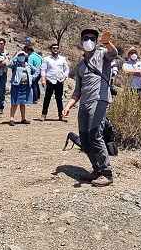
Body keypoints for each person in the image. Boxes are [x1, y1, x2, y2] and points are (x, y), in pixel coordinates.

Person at [62, 28, 118, 187]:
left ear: (96, 41)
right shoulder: (80, 66)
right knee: (85, 140)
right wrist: (68, 106)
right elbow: (77, 91)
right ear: (81, 41)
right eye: (86, 38)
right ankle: (97, 170)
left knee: (95, 135)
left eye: (93, 38)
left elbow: (114, 54)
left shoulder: (102, 55)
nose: (89, 41)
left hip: (99, 100)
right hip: (84, 104)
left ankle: (106, 173)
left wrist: (107, 43)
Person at [6, 49, 40, 125]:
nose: (21, 57)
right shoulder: (15, 64)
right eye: (20, 55)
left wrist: (32, 77)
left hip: (26, 85)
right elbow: (8, 65)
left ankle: (23, 119)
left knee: (23, 103)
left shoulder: (28, 65)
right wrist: (15, 56)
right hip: (16, 85)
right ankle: (11, 119)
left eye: (22, 55)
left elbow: (37, 71)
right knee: (14, 103)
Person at [40, 43, 69, 121]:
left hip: (59, 80)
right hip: (49, 80)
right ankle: (44, 114)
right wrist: (43, 80)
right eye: (53, 48)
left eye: (57, 48)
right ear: (51, 49)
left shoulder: (62, 59)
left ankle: (61, 115)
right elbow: (43, 69)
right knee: (47, 98)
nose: (55, 49)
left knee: (59, 98)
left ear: (59, 49)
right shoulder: (47, 59)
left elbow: (66, 69)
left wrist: (64, 78)